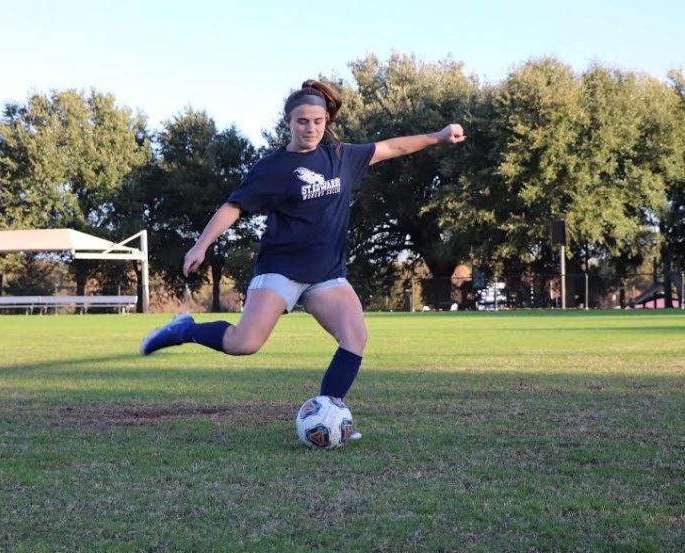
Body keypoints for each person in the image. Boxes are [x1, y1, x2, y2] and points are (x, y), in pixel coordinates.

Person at [140, 79, 466, 436]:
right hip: (281, 269)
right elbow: (233, 207)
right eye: (302, 121)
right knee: (243, 343)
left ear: (326, 121)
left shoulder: (341, 157)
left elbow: (394, 147)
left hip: (326, 275)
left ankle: (328, 414)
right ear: (288, 123)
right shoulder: (273, 167)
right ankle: (184, 329)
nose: (311, 128)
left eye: (317, 121)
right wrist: (201, 245)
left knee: (355, 337)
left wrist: (438, 135)